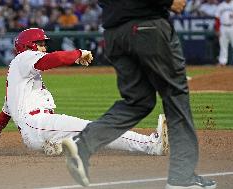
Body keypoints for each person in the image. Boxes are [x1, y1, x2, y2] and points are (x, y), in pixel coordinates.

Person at [61, 1, 217, 189]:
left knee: (138, 101)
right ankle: (182, 178)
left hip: (114, 32)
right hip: (147, 25)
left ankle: (82, 145)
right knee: (175, 96)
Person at [0, 28, 169, 157]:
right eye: (40, 43)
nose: (44, 47)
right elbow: (54, 59)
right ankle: (152, 145)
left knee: (83, 137)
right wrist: (78, 53)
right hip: (38, 124)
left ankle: (55, 146)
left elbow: (6, 112)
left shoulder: (17, 78)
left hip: (35, 132)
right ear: (27, 46)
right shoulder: (24, 58)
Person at [215, 0, 233, 67]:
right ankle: (222, 62)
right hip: (223, 27)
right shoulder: (221, 5)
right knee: (223, 45)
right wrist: (217, 29)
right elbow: (217, 18)